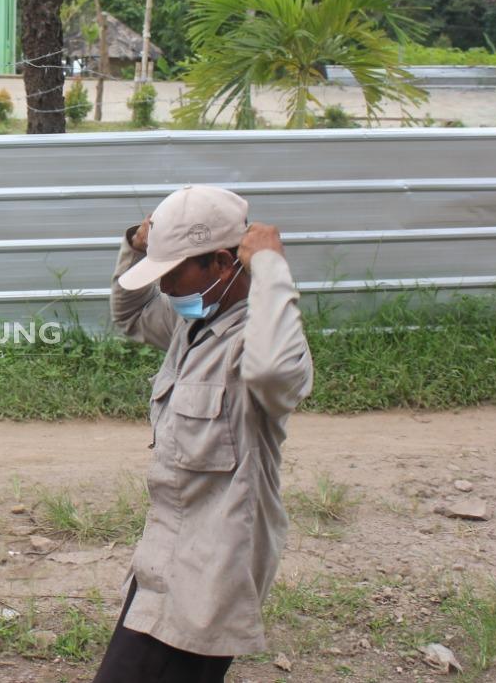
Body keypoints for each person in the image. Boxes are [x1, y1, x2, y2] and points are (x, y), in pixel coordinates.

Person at [96, 185, 314, 683]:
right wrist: (138, 243)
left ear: (221, 262)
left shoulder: (258, 343)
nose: (166, 288)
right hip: (162, 557)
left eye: (172, 272)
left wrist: (271, 270)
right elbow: (128, 315)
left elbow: (273, 372)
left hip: (211, 574)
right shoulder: (190, 326)